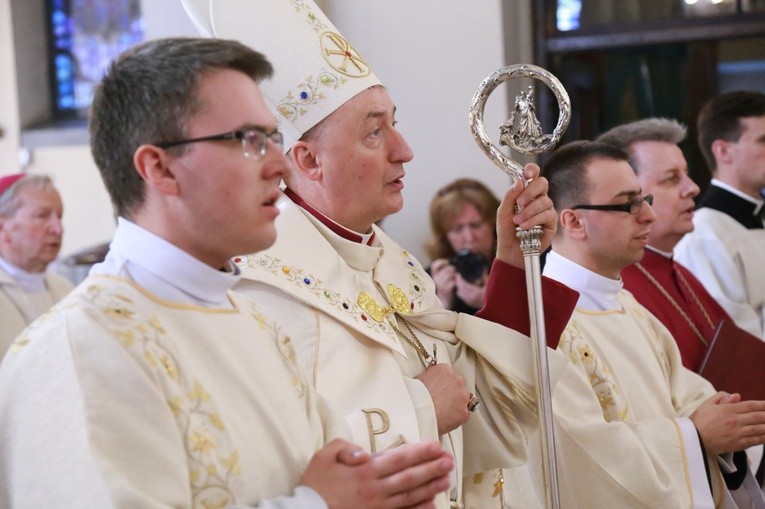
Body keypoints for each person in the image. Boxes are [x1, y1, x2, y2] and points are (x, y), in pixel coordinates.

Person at [0, 37, 456, 508]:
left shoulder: (255, 323)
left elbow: (340, 473)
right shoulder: (77, 352)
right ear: (159, 168)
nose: (280, 166)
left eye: (273, 138)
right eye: (249, 141)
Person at [181, 1, 579, 507]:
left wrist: (512, 261)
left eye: (395, 123)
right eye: (375, 132)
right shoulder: (258, 290)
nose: (404, 149)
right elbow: (263, 465)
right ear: (308, 159)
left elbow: (483, 421)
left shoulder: (393, 264)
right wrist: (419, 408)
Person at [524, 139, 765, 508]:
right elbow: (581, 460)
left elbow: (688, 396)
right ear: (573, 221)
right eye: (629, 204)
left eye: (644, 200)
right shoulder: (544, 325)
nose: (648, 216)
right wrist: (695, 436)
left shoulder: (625, 304)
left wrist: (724, 424)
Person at [597, 118, 732, 371]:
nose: (692, 188)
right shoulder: (617, 288)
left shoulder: (683, 275)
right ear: (629, 194)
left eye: (687, 175)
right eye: (671, 179)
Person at [674, 91, 765, 340]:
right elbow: (735, 341)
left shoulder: (757, 217)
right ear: (723, 151)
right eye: (763, 140)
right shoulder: (704, 235)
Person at [0, 173, 73, 355]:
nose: (58, 228)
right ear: (3, 227)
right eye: (42, 216)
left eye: (59, 216)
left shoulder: (66, 289)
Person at [425, 178, 499, 314]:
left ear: (494, 224)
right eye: (457, 229)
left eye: (476, 225)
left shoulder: (515, 267)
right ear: (444, 236)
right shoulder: (431, 278)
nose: (469, 238)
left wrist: (490, 303)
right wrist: (442, 302)